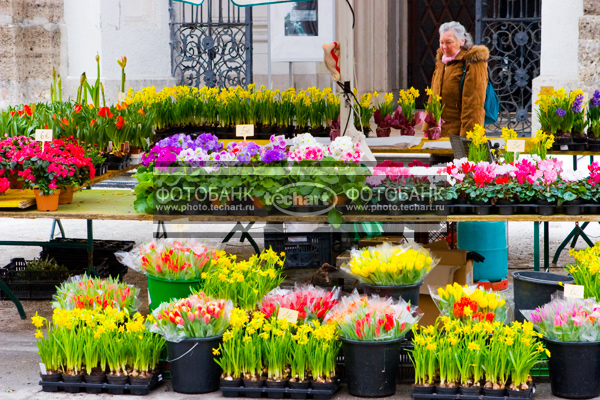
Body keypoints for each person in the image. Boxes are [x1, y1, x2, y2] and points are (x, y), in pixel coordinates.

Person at [423, 21, 489, 137]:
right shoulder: (442, 62)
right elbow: (432, 97)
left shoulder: (472, 62)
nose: (444, 47)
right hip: (438, 134)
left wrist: (467, 138)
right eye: (441, 42)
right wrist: (428, 128)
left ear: (462, 41)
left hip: (458, 135)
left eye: (449, 42)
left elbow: (474, 105)